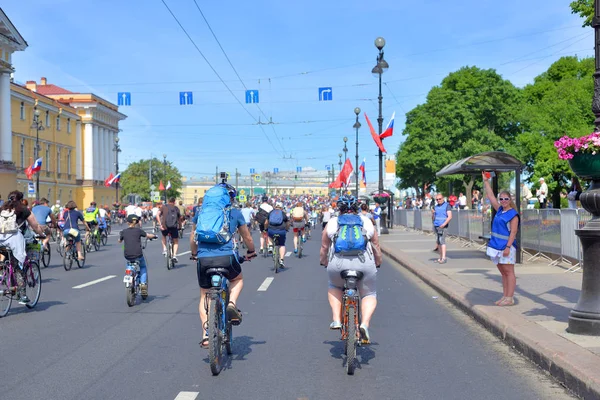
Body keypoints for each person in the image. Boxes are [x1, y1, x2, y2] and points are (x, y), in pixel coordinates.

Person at [196, 182, 256, 349]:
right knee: (237, 279)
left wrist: (195, 254)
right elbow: (247, 238)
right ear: (229, 198)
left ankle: (206, 334)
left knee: (204, 295)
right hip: (226, 258)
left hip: (204, 260)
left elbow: (194, 239)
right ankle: (231, 304)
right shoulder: (234, 213)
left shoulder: (200, 213)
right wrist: (251, 251)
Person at [319, 196, 382, 343]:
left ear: (339, 209)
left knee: (334, 286)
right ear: (357, 208)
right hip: (364, 263)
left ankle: (336, 319)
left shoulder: (333, 222)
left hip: (338, 264)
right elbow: (376, 247)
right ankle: (364, 324)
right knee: (369, 293)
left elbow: (324, 247)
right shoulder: (367, 221)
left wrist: (323, 261)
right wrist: (378, 261)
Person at [482, 172, 520, 306]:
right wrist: (486, 181)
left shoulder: (513, 214)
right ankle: (505, 296)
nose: (503, 201)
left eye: (506, 199)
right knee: (503, 272)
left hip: (506, 246)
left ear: (510, 200)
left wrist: (508, 247)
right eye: (502, 199)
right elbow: (491, 196)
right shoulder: (499, 210)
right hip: (496, 245)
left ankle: (510, 298)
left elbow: (513, 232)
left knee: (509, 272)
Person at [0, 191, 45, 304]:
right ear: (21, 199)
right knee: (18, 265)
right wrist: (42, 234)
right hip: (14, 239)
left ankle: (2, 272)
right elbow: (34, 225)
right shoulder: (23, 209)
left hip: (1, 238)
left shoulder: (2, 209)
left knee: (4, 257)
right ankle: (22, 295)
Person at [119, 214, 157, 297]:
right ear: (136, 222)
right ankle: (143, 284)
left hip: (127, 255)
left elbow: (119, 241)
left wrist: (121, 239)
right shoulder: (139, 231)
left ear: (127, 222)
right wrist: (154, 236)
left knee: (129, 264)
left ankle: (129, 272)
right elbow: (148, 235)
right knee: (143, 266)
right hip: (138, 254)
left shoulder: (124, 231)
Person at [266, 201, 289, 268]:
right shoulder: (283, 213)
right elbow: (287, 223)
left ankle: (270, 246)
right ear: (281, 207)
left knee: (269, 236)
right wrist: (286, 229)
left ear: (275, 206)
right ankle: (281, 260)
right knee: (282, 244)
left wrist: (266, 228)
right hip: (281, 231)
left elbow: (266, 222)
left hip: (271, 230)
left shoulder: (271, 212)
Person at [157, 197, 181, 262]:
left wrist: (160, 224)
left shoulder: (163, 207)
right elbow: (179, 218)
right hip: (173, 227)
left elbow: (157, 215)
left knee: (164, 236)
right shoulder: (176, 208)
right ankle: (174, 255)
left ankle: (164, 249)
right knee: (175, 241)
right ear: (174, 202)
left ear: (168, 201)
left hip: (165, 226)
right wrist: (180, 226)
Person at [432, 193, 452, 264]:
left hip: (443, 226)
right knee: (438, 241)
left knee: (442, 240)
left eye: (440, 199)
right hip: (436, 225)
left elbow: (449, 216)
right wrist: (433, 213)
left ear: (443, 198)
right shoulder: (436, 207)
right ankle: (440, 257)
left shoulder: (447, 205)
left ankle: (443, 258)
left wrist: (444, 224)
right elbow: (433, 218)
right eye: (437, 199)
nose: (438, 200)